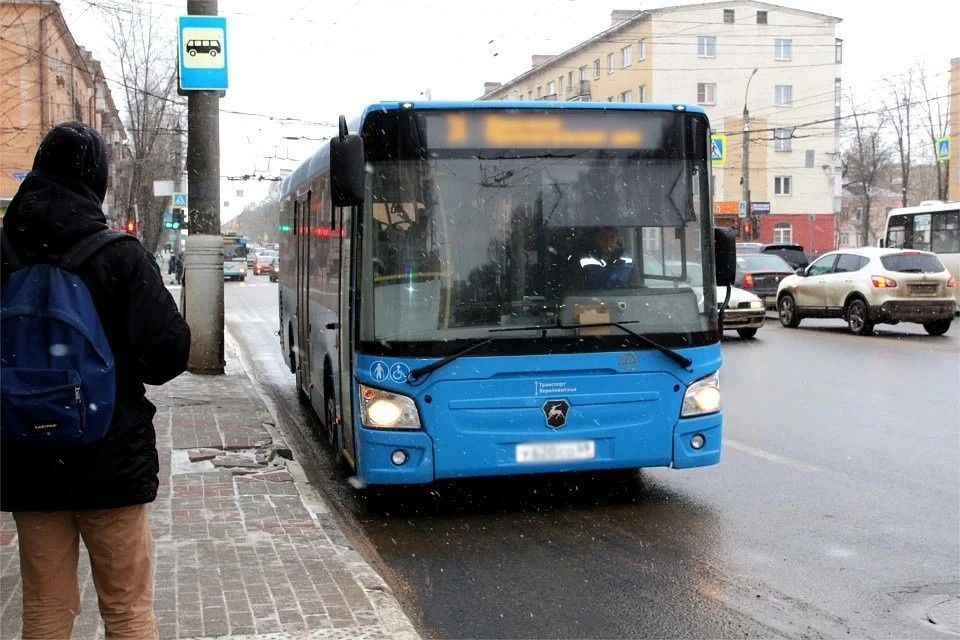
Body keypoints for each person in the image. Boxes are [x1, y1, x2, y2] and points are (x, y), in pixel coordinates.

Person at [0, 121, 191, 639]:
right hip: (109, 454)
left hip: (26, 455)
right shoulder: (118, 255)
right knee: (127, 609)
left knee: (44, 605)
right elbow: (170, 353)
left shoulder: (3, 253)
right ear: (97, 181)